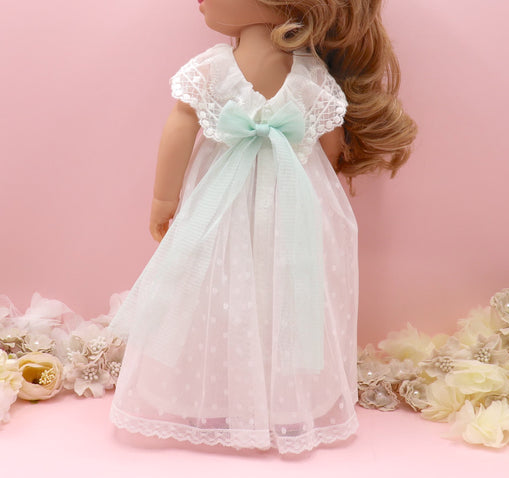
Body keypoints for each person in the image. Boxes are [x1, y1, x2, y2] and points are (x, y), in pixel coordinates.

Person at [107, 0, 417, 454]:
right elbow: (327, 147)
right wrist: (318, 193)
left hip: (233, 204)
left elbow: (181, 125)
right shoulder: (303, 76)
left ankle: (240, 397)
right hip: (283, 203)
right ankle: (255, 398)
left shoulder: (218, 69)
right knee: (269, 296)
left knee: (229, 293)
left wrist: (164, 199)